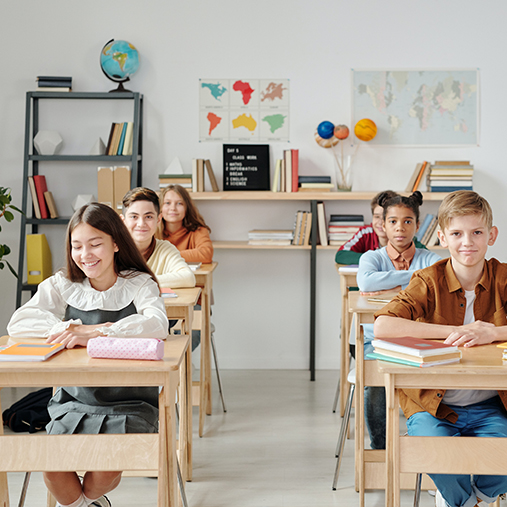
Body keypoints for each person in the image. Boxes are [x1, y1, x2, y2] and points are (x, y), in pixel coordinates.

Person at [7, 203, 169, 507]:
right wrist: (69, 326)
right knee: (53, 472)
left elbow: (158, 324)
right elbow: (19, 322)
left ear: (116, 243)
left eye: (95, 244)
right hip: (74, 400)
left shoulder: (138, 284)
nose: (85, 255)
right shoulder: (64, 284)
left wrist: (99, 331)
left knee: (104, 471)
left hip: (129, 402)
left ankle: (91, 501)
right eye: (77, 246)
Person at [374, 190, 507, 507]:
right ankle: (462, 500)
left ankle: (480, 496)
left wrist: (493, 332)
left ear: (492, 235)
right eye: (457, 234)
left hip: (493, 405)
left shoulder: (504, 277)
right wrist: (456, 331)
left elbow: (490, 333)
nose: (468, 243)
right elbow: (383, 325)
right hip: (433, 406)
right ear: (442, 236)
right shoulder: (428, 280)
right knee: (433, 449)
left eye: (476, 233)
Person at [357, 190, 441, 450]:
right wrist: (417, 278)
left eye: (407, 221)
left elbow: (438, 274)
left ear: (417, 225)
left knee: (442, 380)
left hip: (423, 340)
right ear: (383, 225)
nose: (400, 228)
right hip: (379, 341)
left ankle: (427, 452)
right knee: (375, 384)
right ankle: (381, 450)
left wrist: (390, 286)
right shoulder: (372, 257)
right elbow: (366, 281)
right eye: (393, 221)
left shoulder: (430, 258)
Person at [121, 186, 197, 347]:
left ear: (158, 219)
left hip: (154, 322)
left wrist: (141, 282)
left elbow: (188, 278)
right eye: (134, 216)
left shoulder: (165, 248)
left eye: (148, 217)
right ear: (123, 220)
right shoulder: (113, 249)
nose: (141, 224)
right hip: (118, 322)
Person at [335, 190, 427, 265]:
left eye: (390, 220)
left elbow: (426, 257)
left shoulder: (405, 238)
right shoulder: (366, 233)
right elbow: (341, 255)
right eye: (376, 216)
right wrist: (374, 260)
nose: (380, 222)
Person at [156, 184, 213, 263]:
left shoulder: (199, 231)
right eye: (167, 203)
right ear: (160, 208)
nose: (173, 208)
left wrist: (167, 255)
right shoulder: (152, 231)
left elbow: (206, 255)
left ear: (187, 208)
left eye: (179, 203)